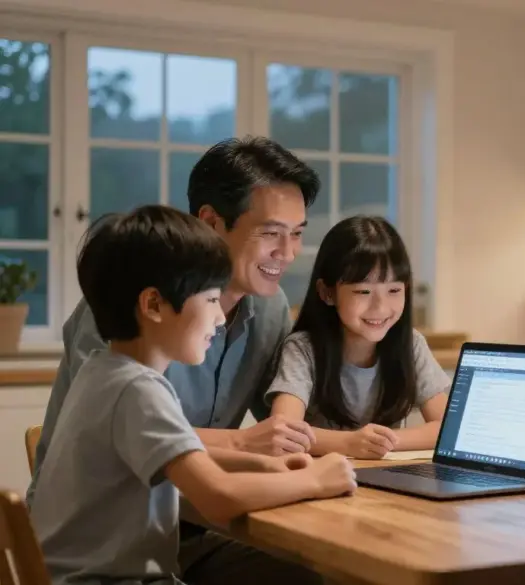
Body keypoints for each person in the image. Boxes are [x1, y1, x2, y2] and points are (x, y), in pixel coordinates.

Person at [29, 136, 327, 585]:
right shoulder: (125, 342)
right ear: (210, 221)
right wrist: (300, 472)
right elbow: (216, 488)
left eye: (298, 234)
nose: (288, 254)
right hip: (116, 552)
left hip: (168, 530)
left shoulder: (267, 310)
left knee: (313, 566)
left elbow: (279, 431)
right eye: (270, 233)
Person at [267, 216, 450, 459]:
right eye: (363, 291)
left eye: (394, 290)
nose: (380, 307)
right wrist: (350, 443)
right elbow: (284, 431)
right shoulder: (303, 349)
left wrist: (379, 443)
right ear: (327, 292)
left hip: (386, 478)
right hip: (320, 481)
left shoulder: (411, 344)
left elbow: (449, 430)